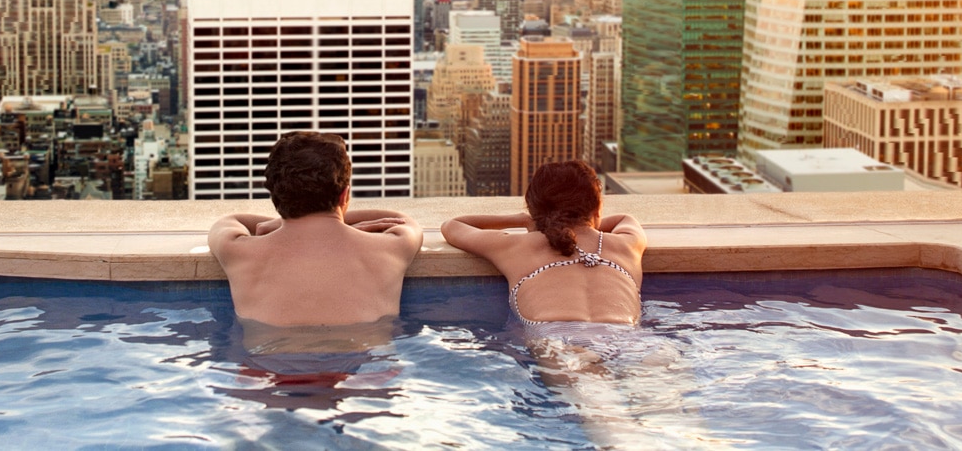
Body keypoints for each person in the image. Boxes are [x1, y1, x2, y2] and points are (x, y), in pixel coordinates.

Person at [445, 160, 691, 447]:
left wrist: (525, 221)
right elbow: (626, 218)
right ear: (597, 208)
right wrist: (579, 222)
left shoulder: (514, 246)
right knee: (676, 423)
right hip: (635, 341)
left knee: (612, 427)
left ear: (533, 211)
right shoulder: (625, 244)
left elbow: (454, 225)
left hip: (563, 343)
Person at [208, 131, 423, 380]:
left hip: (268, 374)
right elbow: (405, 221)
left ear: (276, 196)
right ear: (344, 195)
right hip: (365, 377)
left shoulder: (238, 251)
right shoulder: (391, 248)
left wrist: (280, 224)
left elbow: (229, 221)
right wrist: (341, 222)